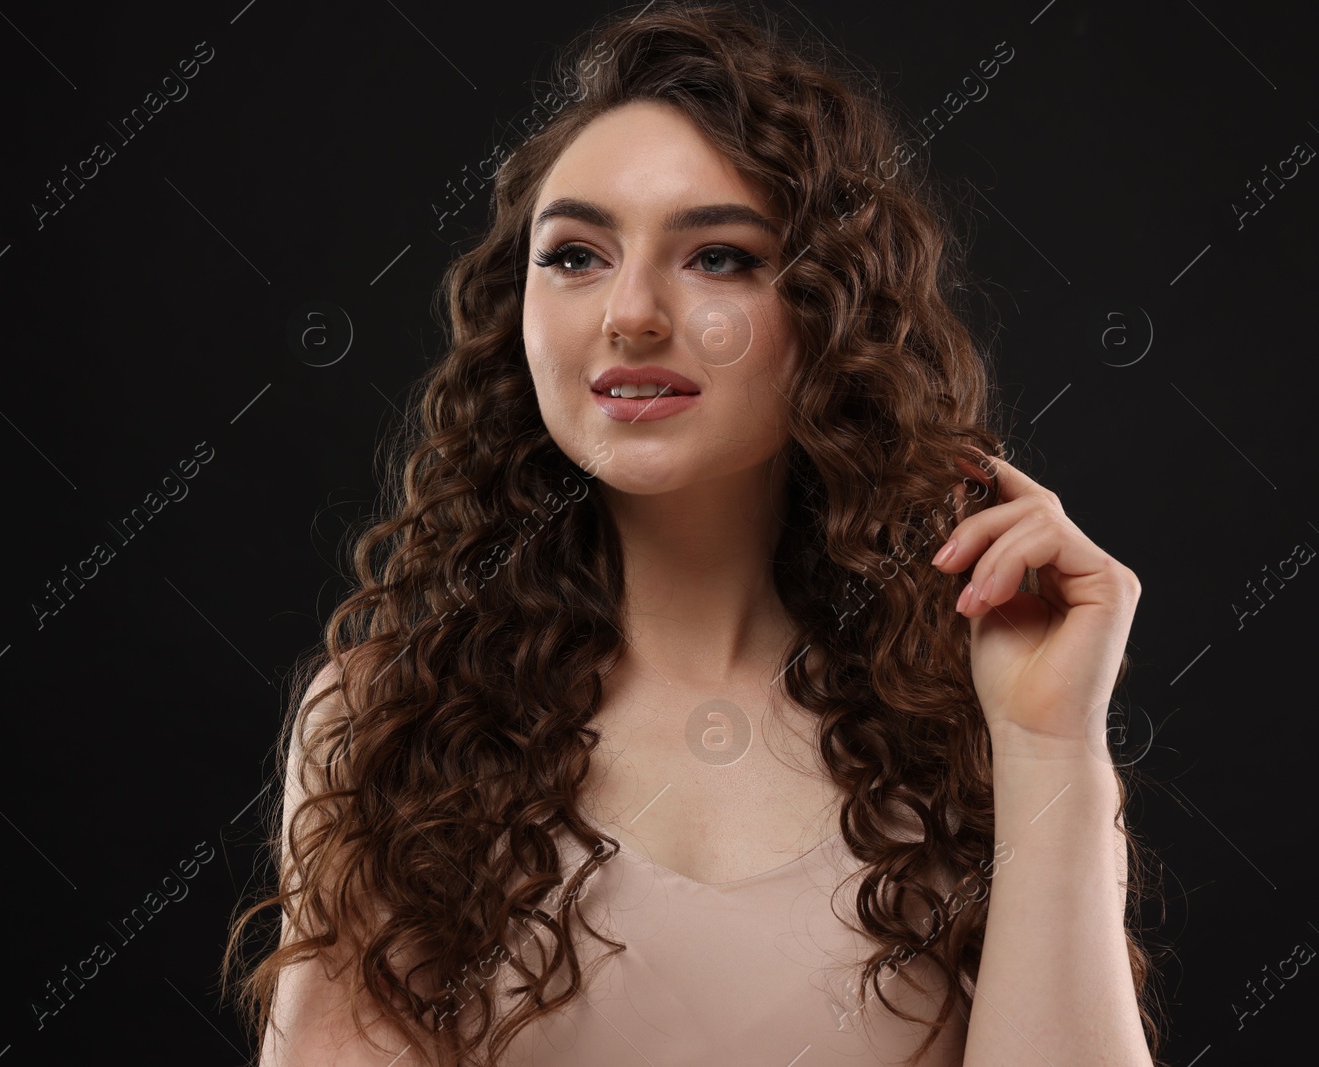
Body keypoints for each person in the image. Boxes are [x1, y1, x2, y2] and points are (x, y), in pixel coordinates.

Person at [219, 3, 1166, 1064]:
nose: (630, 311)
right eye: (574, 254)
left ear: (830, 313)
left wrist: (1048, 745)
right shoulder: (390, 711)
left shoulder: (990, 726)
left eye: (716, 256)